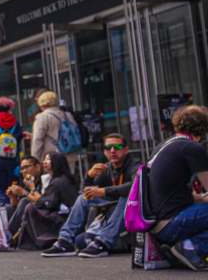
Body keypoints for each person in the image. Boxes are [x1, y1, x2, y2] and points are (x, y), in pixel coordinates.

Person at [42, 134, 141, 258]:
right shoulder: (107, 168)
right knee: (84, 197)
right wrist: (89, 176)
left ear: (126, 149)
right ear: (104, 151)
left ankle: (103, 242)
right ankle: (65, 241)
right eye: (108, 147)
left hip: (132, 212)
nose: (112, 151)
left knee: (127, 196)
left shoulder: (134, 165)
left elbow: (136, 186)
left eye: (117, 146)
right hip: (112, 213)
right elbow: (87, 191)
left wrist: (104, 191)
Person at [148, 104, 208, 271]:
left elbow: (167, 189)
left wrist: (199, 198)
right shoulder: (192, 148)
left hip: (157, 226)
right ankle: (191, 247)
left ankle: (183, 250)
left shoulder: (164, 146)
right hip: (172, 224)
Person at [9, 153, 77, 250]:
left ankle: (11, 236)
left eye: (48, 160)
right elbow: (16, 205)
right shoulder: (50, 179)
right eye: (44, 160)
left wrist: (26, 191)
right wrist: (13, 196)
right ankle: (10, 235)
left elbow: (45, 203)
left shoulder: (56, 181)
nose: (44, 162)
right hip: (55, 212)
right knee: (10, 207)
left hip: (62, 218)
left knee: (28, 205)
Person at [30, 90, 79, 161]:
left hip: (52, 157)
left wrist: (34, 159)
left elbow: (37, 140)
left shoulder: (42, 117)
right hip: (70, 152)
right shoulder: (68, 115)